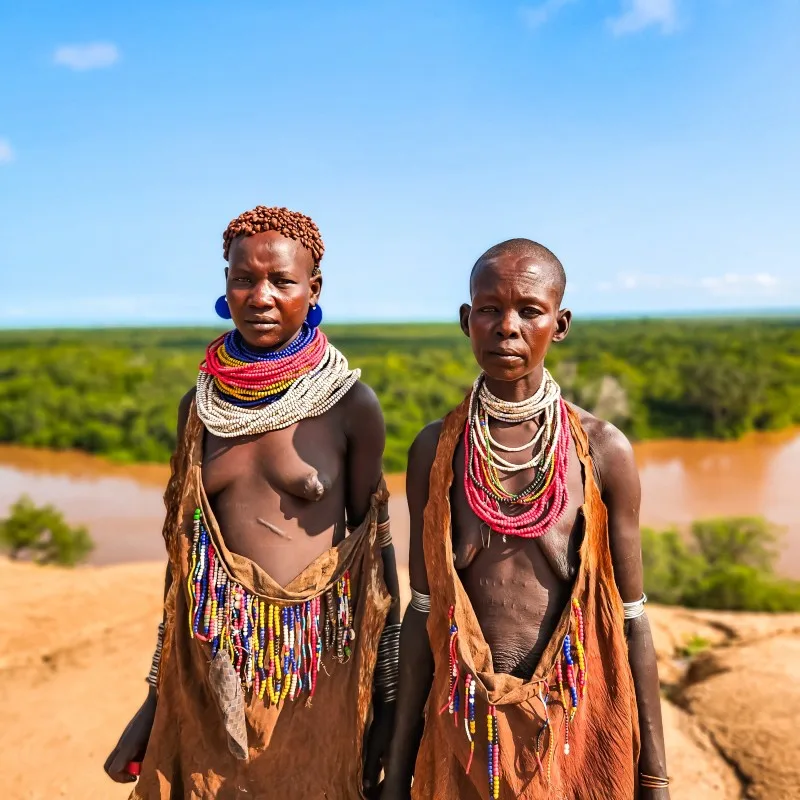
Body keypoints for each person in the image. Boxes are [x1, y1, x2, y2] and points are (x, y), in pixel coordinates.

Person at [104, 205, 400, 799]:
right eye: (244, 278)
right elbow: (185, 563)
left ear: (313, 290)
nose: (260, 296)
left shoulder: (349, 406)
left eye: (282, 281)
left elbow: (376, 552)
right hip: (211, 660)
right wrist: (155, 700)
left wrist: (388, 699)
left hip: (315, 669)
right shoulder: (200, 409)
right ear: (226, 285)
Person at [382, 239, 669, 799]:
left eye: (529, 311)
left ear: (559, 325)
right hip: (462, 732)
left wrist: (654, 776)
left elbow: (631, 619)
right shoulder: (435, 451)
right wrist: (397, 771)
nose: (506, 327)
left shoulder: (602, 450)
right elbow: (422, 613)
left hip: (570, 733)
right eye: (489, 309)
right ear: (467, 321)